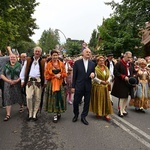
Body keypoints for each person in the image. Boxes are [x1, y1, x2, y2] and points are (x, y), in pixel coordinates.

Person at [20, 46, 46, 121]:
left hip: (38, 81)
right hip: (29, 81)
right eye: (36, 51)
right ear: (34, 52)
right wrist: (22, 80)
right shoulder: (28, 60)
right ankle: (30, 112)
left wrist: (45, 82)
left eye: (38, 51)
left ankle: (35, 113)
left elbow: (45, 73)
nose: (37, 52)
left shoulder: (43, 61)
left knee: (38, 98)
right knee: (29, 97)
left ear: (41, 53)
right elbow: (23, 70)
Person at [71, 48, 95, 125]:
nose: (88, 53)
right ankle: (76, 114)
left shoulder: (92, 63)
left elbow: (93, 73)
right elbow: (74, 76)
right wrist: (73, 86)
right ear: (83, 53)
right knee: (76, 102)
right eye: (87, 52)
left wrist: (93, 75)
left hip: (88, 86)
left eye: (89, 52)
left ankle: (83, 116)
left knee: (87, 102)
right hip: (79, 85)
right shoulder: (77, 63)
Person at [44, 50, 67, 123]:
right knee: (53, 98)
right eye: (53, 55)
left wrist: (60, 75)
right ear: (51, 56)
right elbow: (46, 75)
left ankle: (59, 111)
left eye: (56, 55)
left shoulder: (61, 64)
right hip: (52, 84)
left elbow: (65, 73)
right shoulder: (48, 64)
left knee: (59, 98)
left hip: (59, 83)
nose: (55, 57)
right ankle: (55, 114)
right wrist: (54, 76)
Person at [111, 51, 136, 117]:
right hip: (121, 82)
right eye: (128, 57)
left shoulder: (131, 64)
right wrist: (123, 77)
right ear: (125, 56)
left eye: (130, 57)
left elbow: (133, 72)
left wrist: (133, 76)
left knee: (126, 96)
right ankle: (120, 110)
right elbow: (116, 73)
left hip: (129, 82)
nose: (129, 59)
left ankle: (124, 109)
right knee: (122, 96)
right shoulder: (119, 63)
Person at [90, 56, 113, 121]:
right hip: (98, 86)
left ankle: (106, 114)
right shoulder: (95, 69)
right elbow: (94, 77)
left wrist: (108, 80)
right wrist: (101, 81)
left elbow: (110, 75)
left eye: (103, 60)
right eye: (100, 61)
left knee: (106, 100)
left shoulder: (106, 68)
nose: (102, 62)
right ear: (97, 62)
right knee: (99, 100)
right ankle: (99, 112)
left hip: (105, 86)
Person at [1, 54, 23, 121]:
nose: (12, 58)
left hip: (17, 83)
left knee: (19, 96)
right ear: (9, 58)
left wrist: (17, 80)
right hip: (8, 84)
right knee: (7, 98)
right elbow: (2, 75)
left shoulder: (19, 65)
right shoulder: (5, 66)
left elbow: (22, 75)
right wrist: (8, 81)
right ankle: (8, 114)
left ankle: (21, 105)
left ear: (16, 58)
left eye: (14, 57)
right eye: (11, 57)